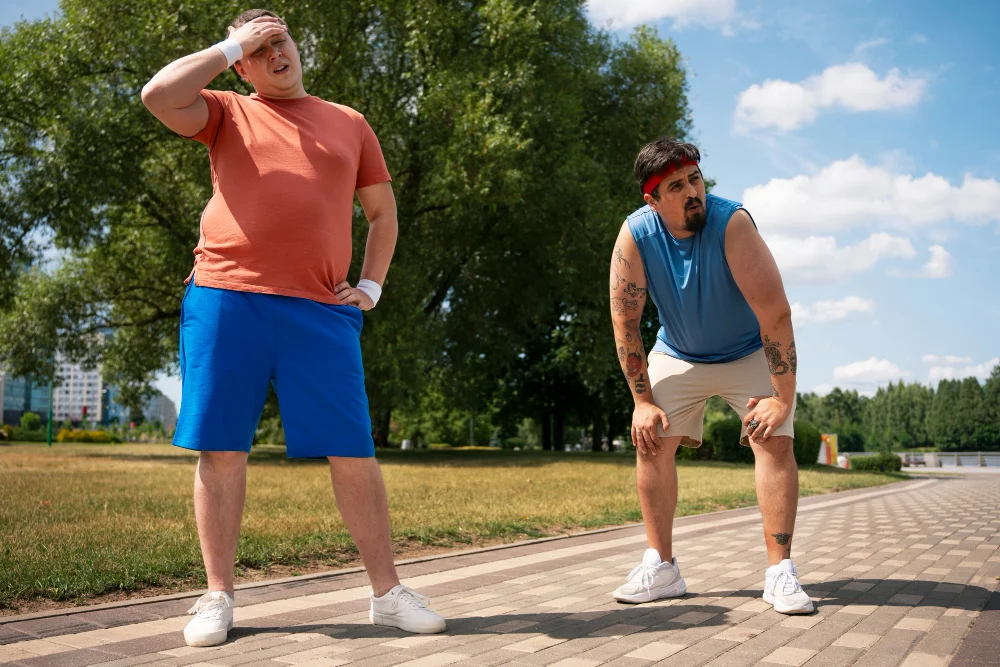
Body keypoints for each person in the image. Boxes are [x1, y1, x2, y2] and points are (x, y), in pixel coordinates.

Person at [140, 9, 446, 646]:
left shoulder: (350, 123)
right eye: (259, 47)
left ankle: (387, 595)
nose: (275, 51)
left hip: (321, 310)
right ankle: (217, 596)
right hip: (226, 297)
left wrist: (370, 286)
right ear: (243, 65)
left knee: (354, 451)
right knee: (221, 447)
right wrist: (230, 45)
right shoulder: (227, 110)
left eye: (280, 39)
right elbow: (158, 95)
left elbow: (382, 214)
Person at [607, 138, 813, 615]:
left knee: (774, 439)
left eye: (695, 179)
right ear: (652, 200)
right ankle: (662, 567)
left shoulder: (731, 223)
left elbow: (776, 315)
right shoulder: (636, 236)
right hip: (678, 352)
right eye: (676, 186)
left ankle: (780, 571)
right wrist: (642, 401)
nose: (692, 191)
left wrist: (782, 400)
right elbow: (625, 322)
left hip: (746, 350)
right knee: (650, 436)